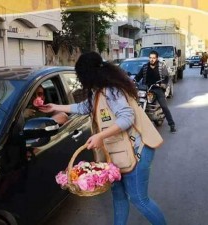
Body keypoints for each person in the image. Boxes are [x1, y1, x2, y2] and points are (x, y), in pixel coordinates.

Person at [39, 51, 167, 225]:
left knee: (139, 200)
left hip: (137, 151)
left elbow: (126, 118)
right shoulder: (98, 91)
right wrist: (55, 106)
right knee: (119, 198)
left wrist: (101, 135)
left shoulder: (111, 91)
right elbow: (83, 107)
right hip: (118, 155)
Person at [134, 50, 177, 133]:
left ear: (156, 58)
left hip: (157, 89)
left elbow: (166, 78)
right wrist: (134, 81)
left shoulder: (161, 66)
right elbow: (138, 76)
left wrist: (161, 85)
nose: (152, 59)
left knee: (164, 106)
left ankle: (172, 125)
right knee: (136, 102)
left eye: (153, 58)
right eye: (150, 58)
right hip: (146, 88)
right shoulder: (145, 67)